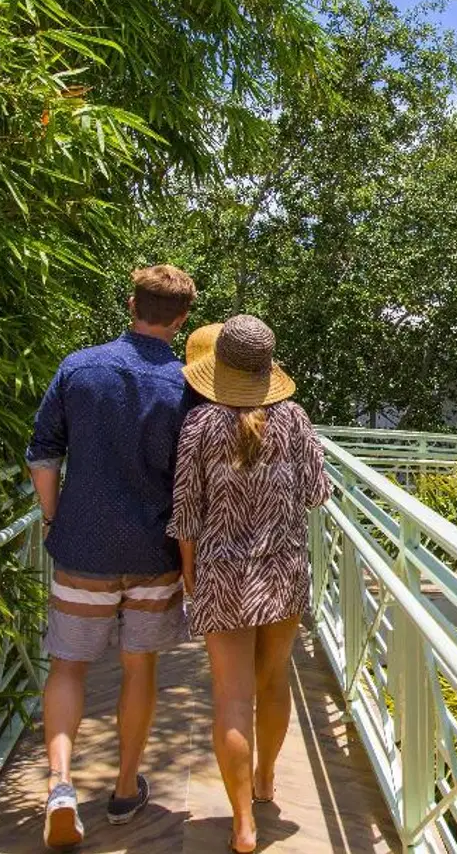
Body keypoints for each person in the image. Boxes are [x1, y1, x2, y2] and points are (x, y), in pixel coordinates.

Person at [26, 265, 198, 849]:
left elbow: (43, 454)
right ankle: (125, 790)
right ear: (180, 319)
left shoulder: (79, 367)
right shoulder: (186, 383)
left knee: (68, 667)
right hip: (155, 552)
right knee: (139, 666)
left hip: (83, 548)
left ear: (131, 304)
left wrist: (53, 518)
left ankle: (60, 784)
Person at [167, 314, 331, 853]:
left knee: (231, 698)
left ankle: (241, 824)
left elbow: (186, 512)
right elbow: (316, 493)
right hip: (282, 570)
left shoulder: (200, 425)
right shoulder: (296, 419)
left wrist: (190, 575)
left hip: (220, 572)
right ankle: (265, 779)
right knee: (274, 680)